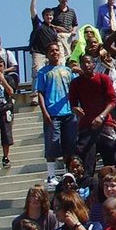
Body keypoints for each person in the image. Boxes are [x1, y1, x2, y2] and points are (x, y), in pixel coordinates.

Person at [33, 43, 78, 188]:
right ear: (47, 54)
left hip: (69, 113)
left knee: (69, 144)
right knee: (52, 144)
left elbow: (75, 89)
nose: (55, 53)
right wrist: (44, 112)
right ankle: (51, 175)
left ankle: (67, 173)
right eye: (51, 51)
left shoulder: (67, 71)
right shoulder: (43, 72)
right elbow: (40, 93)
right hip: (52, 113)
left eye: (56, 50)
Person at [68, 54, 116, 176]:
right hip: (86, 126)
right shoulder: (76, 83)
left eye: (89, 62)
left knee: (111, 159)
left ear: (94, 64)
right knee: (87, 162)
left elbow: (112, 101)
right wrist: (75, 109)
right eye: (83, 63)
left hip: (105, 124)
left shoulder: (103, 79)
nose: (86, 65)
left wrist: (101, 116)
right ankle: (88, 188)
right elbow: (72, 104)